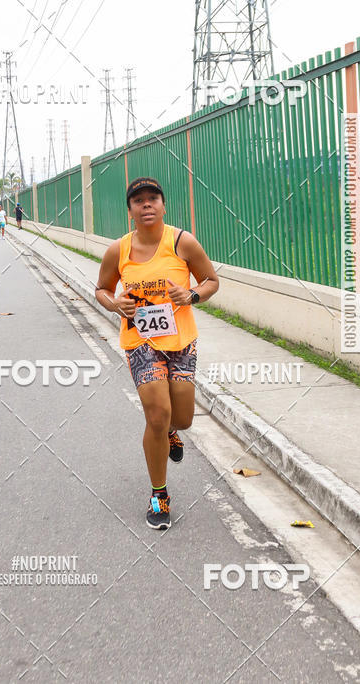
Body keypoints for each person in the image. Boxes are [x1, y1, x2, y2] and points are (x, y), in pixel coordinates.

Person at [95, 177, 219, 531]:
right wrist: (115, 304)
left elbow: (211, 281)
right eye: (139, 201)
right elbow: (101, 289)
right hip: (141, 343)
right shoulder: (118, 250)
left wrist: (191, 295)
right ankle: (159, 494)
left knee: (182, 418)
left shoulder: (182, 242)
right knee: (157, 414)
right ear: (130, 211)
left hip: (181, 342)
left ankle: (170, 433)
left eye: (153, 198)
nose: (146, 204)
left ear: (164, 206)